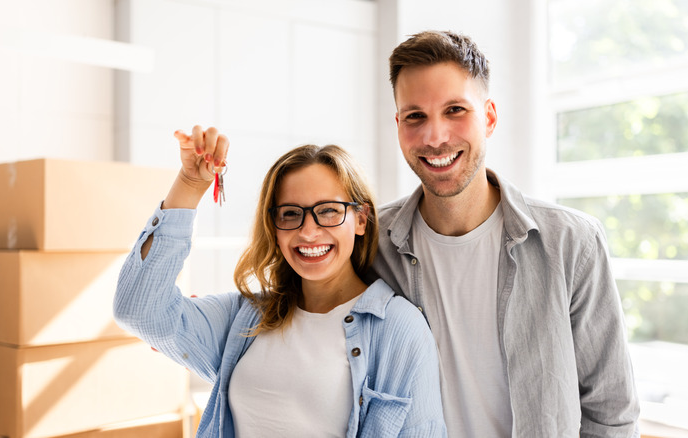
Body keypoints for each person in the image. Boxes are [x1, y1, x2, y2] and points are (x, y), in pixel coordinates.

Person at [369, 30, 640, 437]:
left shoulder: (572, 242)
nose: (435, 136)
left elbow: (611, 413)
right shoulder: (370, 243)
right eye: (415, 116)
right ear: (398, 125)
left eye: (455, 110)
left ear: (489, 117)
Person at [113, 127, 446, 437]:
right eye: (290, 213)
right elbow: (140, 309)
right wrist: (189, 184)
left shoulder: (399, 329)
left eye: (328, 211)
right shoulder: (244, 318)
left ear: (360, 219)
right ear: (273, 227)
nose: (308, 231)